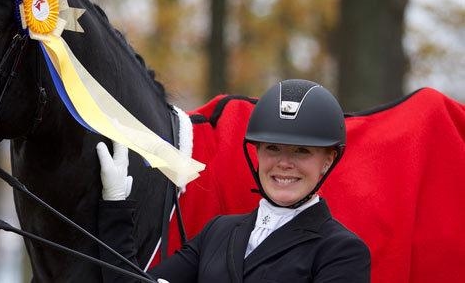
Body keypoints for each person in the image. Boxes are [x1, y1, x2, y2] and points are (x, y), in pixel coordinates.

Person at [96, 79, 371, 282]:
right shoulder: (218, 232)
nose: (284, 163)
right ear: (257, 152)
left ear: (327, 160)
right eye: (272, 148)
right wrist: (115, 204)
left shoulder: (342, 251)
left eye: (302, 151)